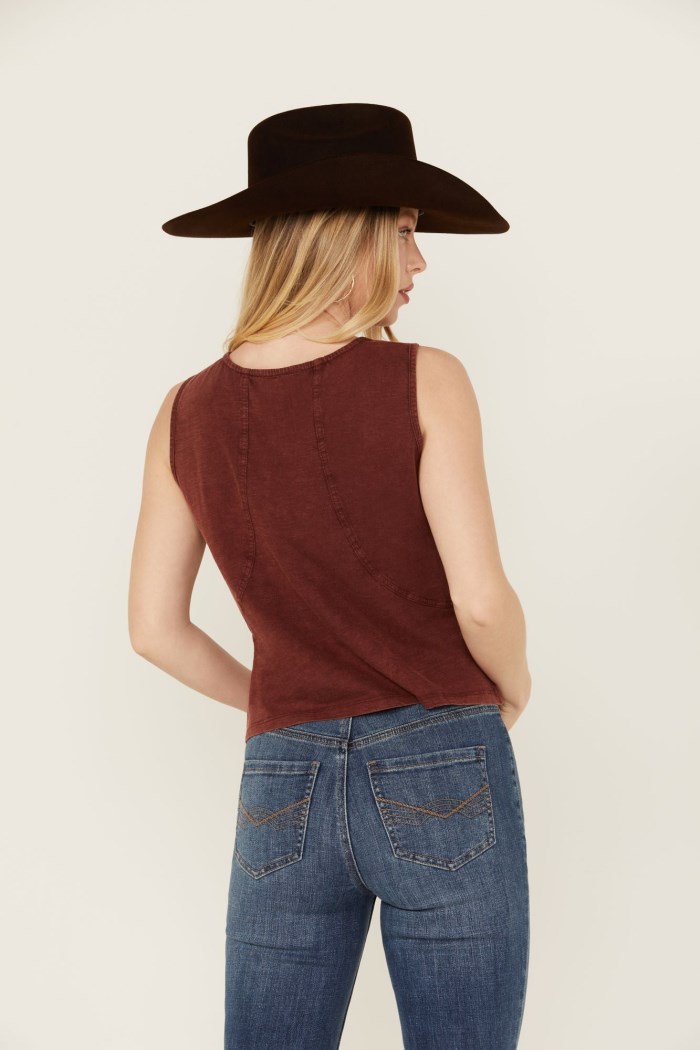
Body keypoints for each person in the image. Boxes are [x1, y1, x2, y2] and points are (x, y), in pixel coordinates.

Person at [129, 103, 532, 1049]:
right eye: (405, 233)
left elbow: (154, 630)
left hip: (282, 773)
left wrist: (282, 703)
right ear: (342, 237)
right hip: (441, 749)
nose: (420, 263)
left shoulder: (184, 410)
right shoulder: (426, 379)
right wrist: (512, 688)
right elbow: (480, 598)